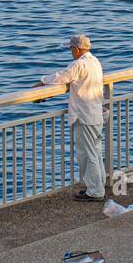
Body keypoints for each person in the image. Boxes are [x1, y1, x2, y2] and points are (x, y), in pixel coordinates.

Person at [38, 34, 105, 202]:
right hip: (95, 113)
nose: (70, 52)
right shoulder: (95, 62)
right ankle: (98, 184)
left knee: (87, 154)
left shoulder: (79, 64)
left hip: (84, 115)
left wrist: (41, 82)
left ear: (76, 49)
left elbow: (61, 77)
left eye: (70, 49)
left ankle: (95, 191)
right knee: (95, 152)